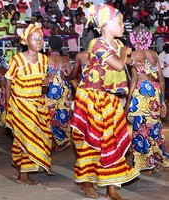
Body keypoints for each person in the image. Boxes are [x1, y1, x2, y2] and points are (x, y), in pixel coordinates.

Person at [70, 4, 140, 199]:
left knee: (114, 141)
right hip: (91, 98)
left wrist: (132, 60)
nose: (123, 25)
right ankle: (86, 182)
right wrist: (126, 53)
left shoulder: (117, 46)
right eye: (119, 21)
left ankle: (111, 188)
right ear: (105, 25)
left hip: (109, 99)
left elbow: (125, 61)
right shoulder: (97, 44)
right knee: (91, 142)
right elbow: (118, 64)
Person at [5, 24, 53, 186]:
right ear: (25, 41)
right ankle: (23, 175)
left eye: (41, 38)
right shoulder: (17, 60)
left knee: (40, 136)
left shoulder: (44, 60)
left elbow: (43, 85)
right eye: (35, 38)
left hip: (37, 103)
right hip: (21, 104)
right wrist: (7, 103)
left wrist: (46, 82)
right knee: (28, 136)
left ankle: (19, 162)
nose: (39, 41)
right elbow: (8, 80)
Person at [125, 25, 169, 174]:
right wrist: (162, 100)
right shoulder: (154, 54)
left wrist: (129, 99)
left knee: (141, 128)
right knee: (153, 127)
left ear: (133, 38)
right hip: (155, 93)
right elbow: (161, 79)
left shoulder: (134, 55)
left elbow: (134, 80)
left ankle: (145, 164)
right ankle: (155, 159)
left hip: (142, 93)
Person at [45, 35, 73, 152]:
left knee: (49, 114)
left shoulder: (46, 59)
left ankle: (57, 141)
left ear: (50, 47)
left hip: (52, 88)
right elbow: (70, 76)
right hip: (64, 88)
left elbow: (45, 76)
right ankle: (64, 139)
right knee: (63, 113)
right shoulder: (65, 59)